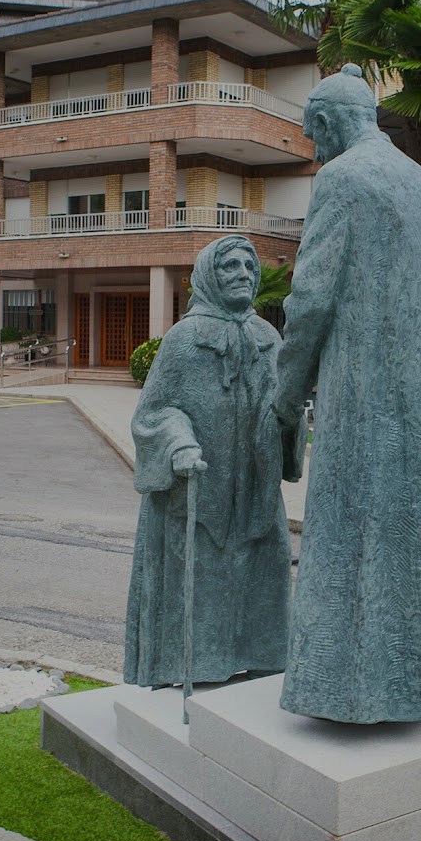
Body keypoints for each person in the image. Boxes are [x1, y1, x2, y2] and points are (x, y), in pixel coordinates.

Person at [272, 64, 421, 724]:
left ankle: (349, 688)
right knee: (415, 535)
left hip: (367, 399)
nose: (314, 151)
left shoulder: (343, 178)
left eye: (313, 136)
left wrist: (285, 394)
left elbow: (310, 301)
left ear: (327, 123)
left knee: (355, 537)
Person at [124, 235, 305, 689]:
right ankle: (195, 666)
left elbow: (282, 404)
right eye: (230, 266)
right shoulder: (184, 339)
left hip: (257, 490)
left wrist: (289, 419)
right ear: (209, 275)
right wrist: (179, 444)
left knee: (264, 570)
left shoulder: (268, 337)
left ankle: (263, 656)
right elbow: (155, 411)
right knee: (202, 577)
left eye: (249, 266)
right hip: (199, 489)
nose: (243, 273)